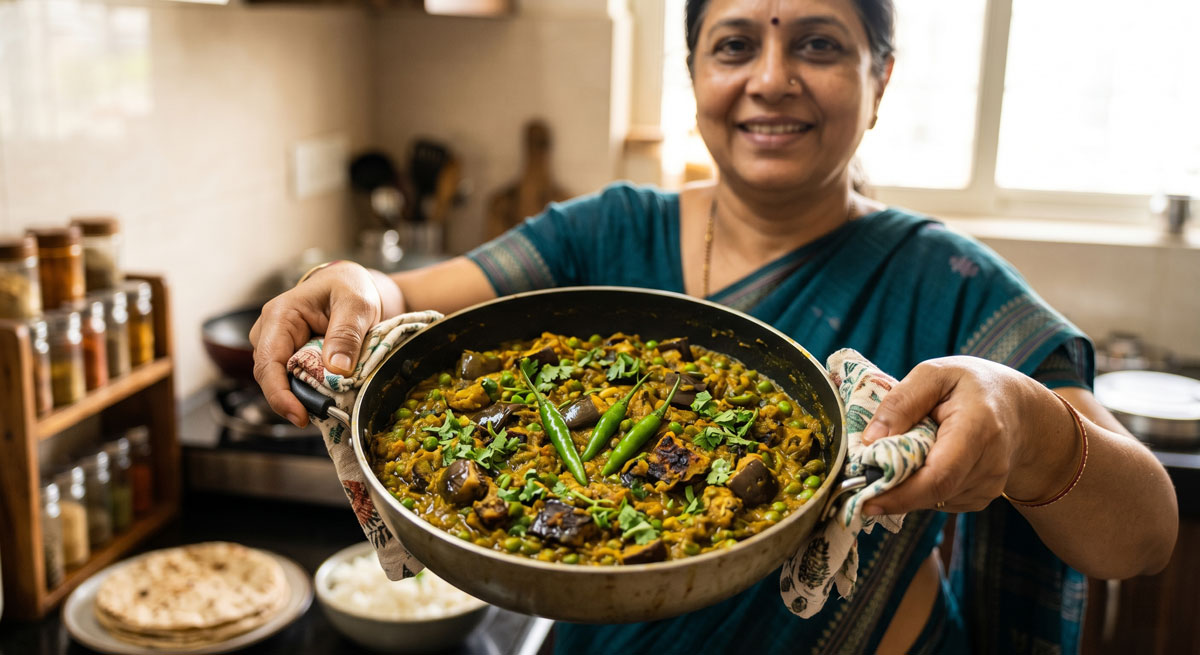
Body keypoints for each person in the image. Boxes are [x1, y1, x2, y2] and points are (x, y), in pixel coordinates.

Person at [250, 0, 1178, 652]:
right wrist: (355, 285)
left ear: (881, 77)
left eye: (818, 44)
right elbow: (408, 300)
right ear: (693, 70)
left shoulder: (952, 284)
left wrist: (1033, 428)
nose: (771, 81)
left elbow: (1144, 540)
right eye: (734, 45)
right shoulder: (606, 231)